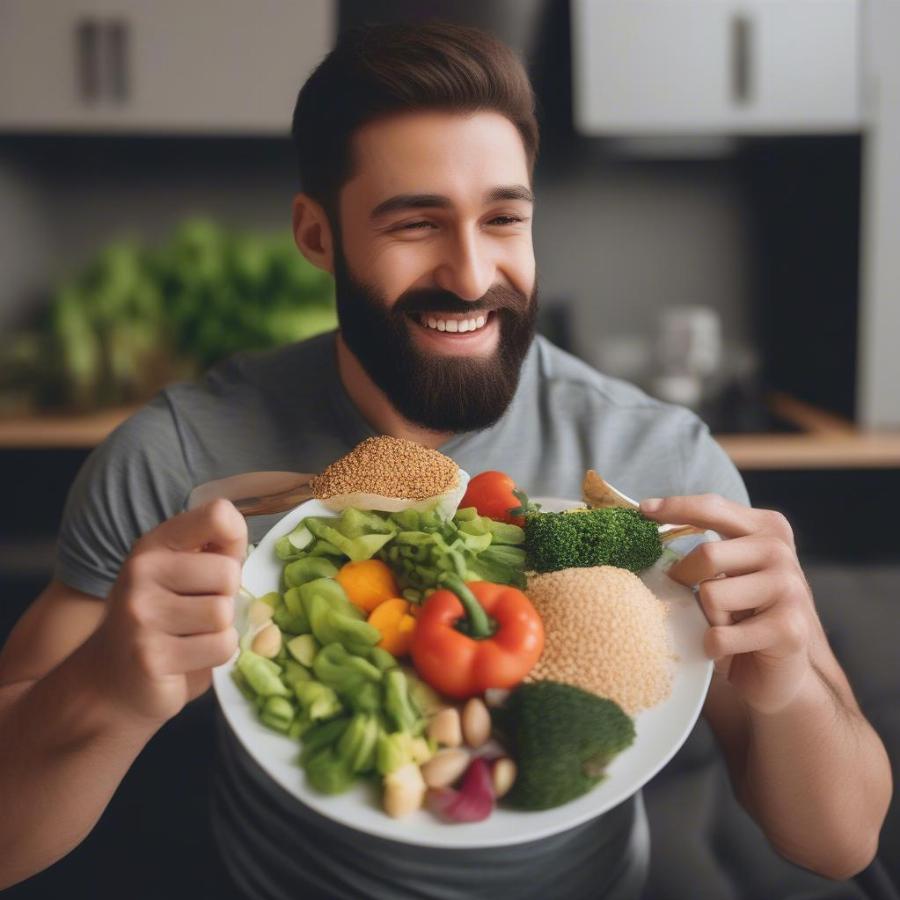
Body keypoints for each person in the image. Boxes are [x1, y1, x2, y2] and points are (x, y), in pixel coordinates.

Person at [0, 21, 890, 900]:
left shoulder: (657, 455)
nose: (470, 274)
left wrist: (791, 690)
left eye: (503, 218)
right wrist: (105, 691)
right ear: (317, 237)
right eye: (416, 223)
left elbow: (841, 842)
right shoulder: (175, 459)